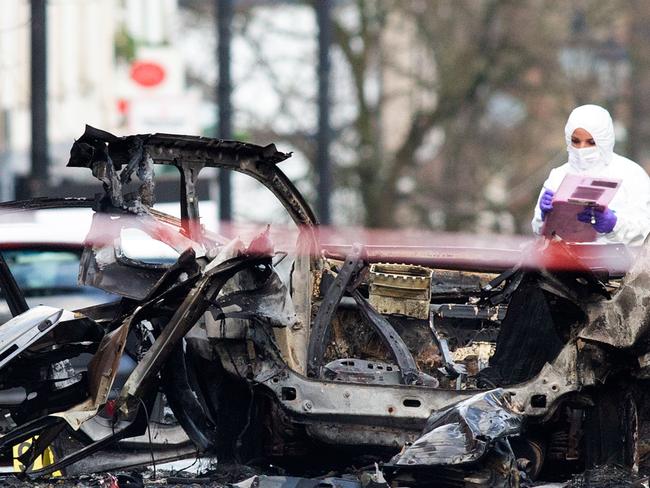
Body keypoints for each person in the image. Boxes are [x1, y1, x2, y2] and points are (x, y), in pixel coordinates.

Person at [531, 104, 650, 246]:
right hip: (564, 264)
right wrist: (544, 218)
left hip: (620, 265)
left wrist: (614, 224)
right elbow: (539, 234)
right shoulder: (558, 176)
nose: (582, 149)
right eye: (575, 141)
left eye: (591, 142)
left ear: (604, 140)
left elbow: (645, 230)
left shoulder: (631, 174)